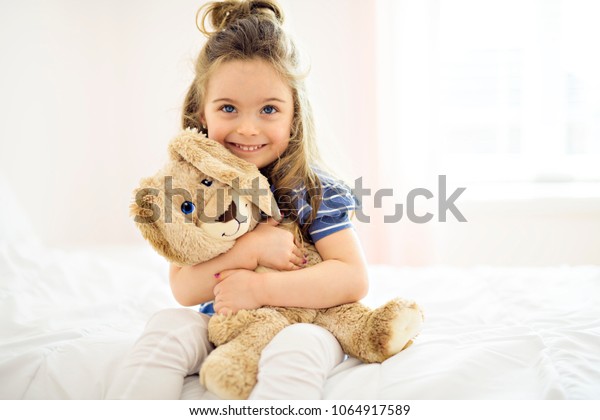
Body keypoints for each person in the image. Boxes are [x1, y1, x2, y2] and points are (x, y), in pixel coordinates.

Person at [106, 0, 369, 400]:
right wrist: (249, 250)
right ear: (202, 113)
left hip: (304, 323)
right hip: (223, 324)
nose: (248, 128)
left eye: (269, 109)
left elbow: (352, 278)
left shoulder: (312, 189)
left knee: (300, 346)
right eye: (229, 108)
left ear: (294, 115)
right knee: (167, 325)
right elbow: (184, 289)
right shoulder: (190, 189)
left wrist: (261, 291)